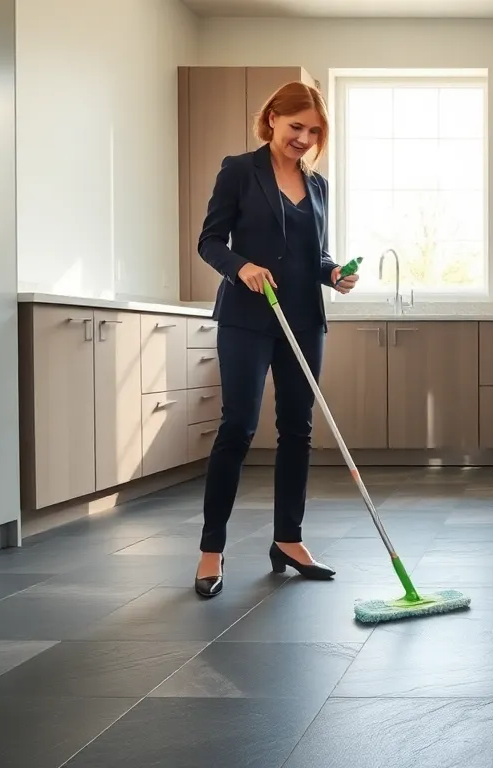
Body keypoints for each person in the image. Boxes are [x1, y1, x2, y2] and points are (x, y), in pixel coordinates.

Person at [191, 81, 359, 598]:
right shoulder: (239, 170)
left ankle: (288, 539)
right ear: (271, 120)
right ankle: (211, 549)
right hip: (248, 317)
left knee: (297, 431)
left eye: (314, 131)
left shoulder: (319, 186)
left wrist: (333, 275)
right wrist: (240, 268)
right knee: (238, 427)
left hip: (303, 320)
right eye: (295, 127)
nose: (304, 138)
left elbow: (316, 255)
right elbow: (210, 241)